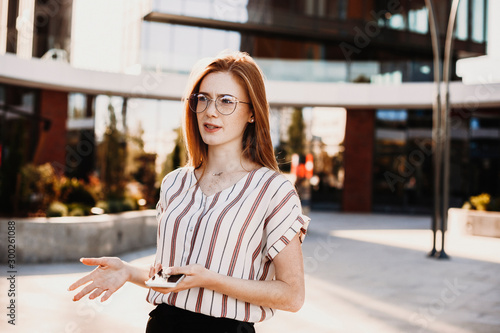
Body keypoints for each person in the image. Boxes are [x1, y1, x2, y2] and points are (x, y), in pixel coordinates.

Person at [68, 51, 310, 333]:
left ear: (253, 113)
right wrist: (128, 271)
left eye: (227, 101)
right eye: (203, 98)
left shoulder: (273, 190)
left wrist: (211, 280)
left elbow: (293, 296)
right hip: (163, 325)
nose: (210, 111)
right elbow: (172, 275)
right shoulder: (174, 183)